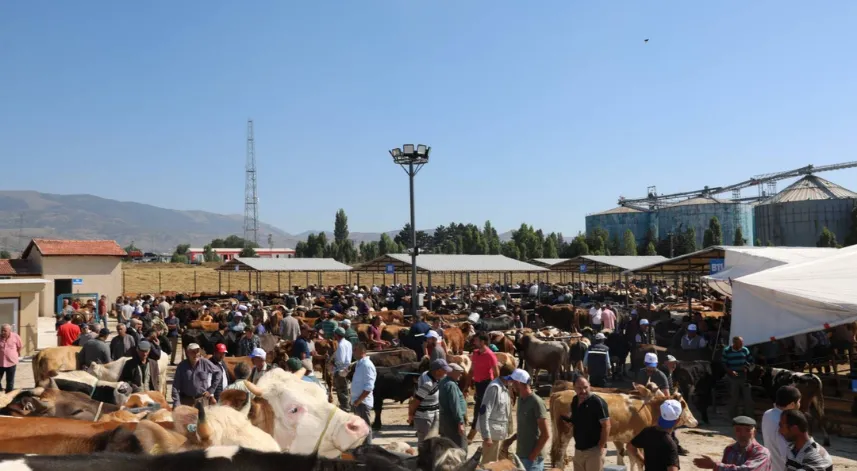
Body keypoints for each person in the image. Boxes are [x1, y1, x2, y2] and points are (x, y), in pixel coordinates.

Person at [560, 376, 610, 471]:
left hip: (593, 450)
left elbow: (606, 426)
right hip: (579, 449)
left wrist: (600, 447)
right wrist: (570, 423)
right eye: (579, 388)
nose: (583, 391)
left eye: (585, 387)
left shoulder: (597, 402)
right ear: (574, 388)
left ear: (589, 386)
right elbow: (576, 420)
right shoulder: (575, 401)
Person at [504, 369, 550, 471]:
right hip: (521, 455)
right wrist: (511, 440)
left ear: (519, 383)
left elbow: (545, 434)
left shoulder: (536, 402)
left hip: (533, 460)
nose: (510, 385)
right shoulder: (521, 400)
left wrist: (532, 457)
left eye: (512, 382)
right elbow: (526, 426)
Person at [693, 416, 772, 471]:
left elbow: (747, 470)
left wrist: (715, 465)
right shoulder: (729, 449)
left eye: (748, 430)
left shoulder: (762, 452)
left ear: (754, 433)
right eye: (738, 430)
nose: (743, 434)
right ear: (734, 432)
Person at [628, 399, 683, 471]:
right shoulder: (670, 445)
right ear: (678, 420)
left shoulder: (647, 432)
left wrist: (643, 461)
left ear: (660, 414)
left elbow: (630, 447)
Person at [410, 358, 451, 444]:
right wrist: (411, 415)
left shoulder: (426, 374)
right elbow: (416, 401)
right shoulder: (428, 384)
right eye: (444, 371)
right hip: (425, 418)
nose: (446, 373)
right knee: (425, 444)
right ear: (438, 371)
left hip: (431, 415)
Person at [469, 332, 500, 442]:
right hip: (478, 385)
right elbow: (472, 370)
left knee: (479, 410)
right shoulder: (475, 353)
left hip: (487, 385)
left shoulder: (490, 355)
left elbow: (496, 373)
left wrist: (497, 389)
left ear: (482, 342)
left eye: (476, 340)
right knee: (480, 410)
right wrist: (468, 384)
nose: (474, 342)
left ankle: (471, 436)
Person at [761, 386, 802, 471]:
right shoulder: (785, 424)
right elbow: (787, 454)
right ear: (792, 404)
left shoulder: (767, 414)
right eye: (799, 401)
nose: (799, 404)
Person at [478, 367, 513, 464]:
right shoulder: (494, 388)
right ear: (507, 377)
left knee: (496, 464)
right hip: (492, 435)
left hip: (499, 434)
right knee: (488, 464)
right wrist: (486, 436)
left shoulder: (504, 388)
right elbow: (484, 412)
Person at [172, 343, 222, 408]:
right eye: (193, 352)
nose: (195, 354)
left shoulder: (205, 363)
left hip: (202, 401)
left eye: (197, 351)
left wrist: (211, 390)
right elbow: (175, 386)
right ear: (187, 353)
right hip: (186, 401)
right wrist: (177, 403)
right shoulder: (181, 366)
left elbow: (218, 372)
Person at [723, 336, 755, 419]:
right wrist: (730, 371)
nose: (742, 345)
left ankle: (749, 416)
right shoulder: (727, 351)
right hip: (732, 376)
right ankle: (733, 417)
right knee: (734, 397)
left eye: (742, 343)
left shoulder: (745, 350)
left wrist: (747, 368)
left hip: (744, 376)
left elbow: (751, 361)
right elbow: (724, 364)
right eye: (740, 343)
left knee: (748, 398)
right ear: (734, 344)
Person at [351, 342, 376, 445]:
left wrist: (359, 400)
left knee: (365, 427)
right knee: (361, 427)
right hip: (358, 401)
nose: (353, 352)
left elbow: (369, 386)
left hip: (362, 402)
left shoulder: (367, 365)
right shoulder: (359, 364)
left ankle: (368, 448)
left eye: (355, 350)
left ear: (362, 351)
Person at [439, 363, 468, 449]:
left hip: (445, 419)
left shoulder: (443, 382)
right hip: (453, 421)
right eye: (458, 372)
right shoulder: (451, 385)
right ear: (451, 372)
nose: (461, 374)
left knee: (448, 445)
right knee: (461, 447)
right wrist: (460, 422)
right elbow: (455, 405)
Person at [332, 327, 353, 411]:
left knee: (341, 390)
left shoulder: (340, 345)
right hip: (347, 368)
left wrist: (333, 363)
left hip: (340, 370)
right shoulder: (348, 343)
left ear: (337, 335)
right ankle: (347, 405)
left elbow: (341, 360)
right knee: (346, 388)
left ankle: (345, 407)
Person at [0, 324, 22, 393]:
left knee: (10, 381)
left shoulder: (15, 336)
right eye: (2, 330)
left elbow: (19, 346)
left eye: (5, 331)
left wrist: (15, 354)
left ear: (9, 331)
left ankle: (9, 395)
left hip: (11, 362)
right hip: (0, 363)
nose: (3, 332)